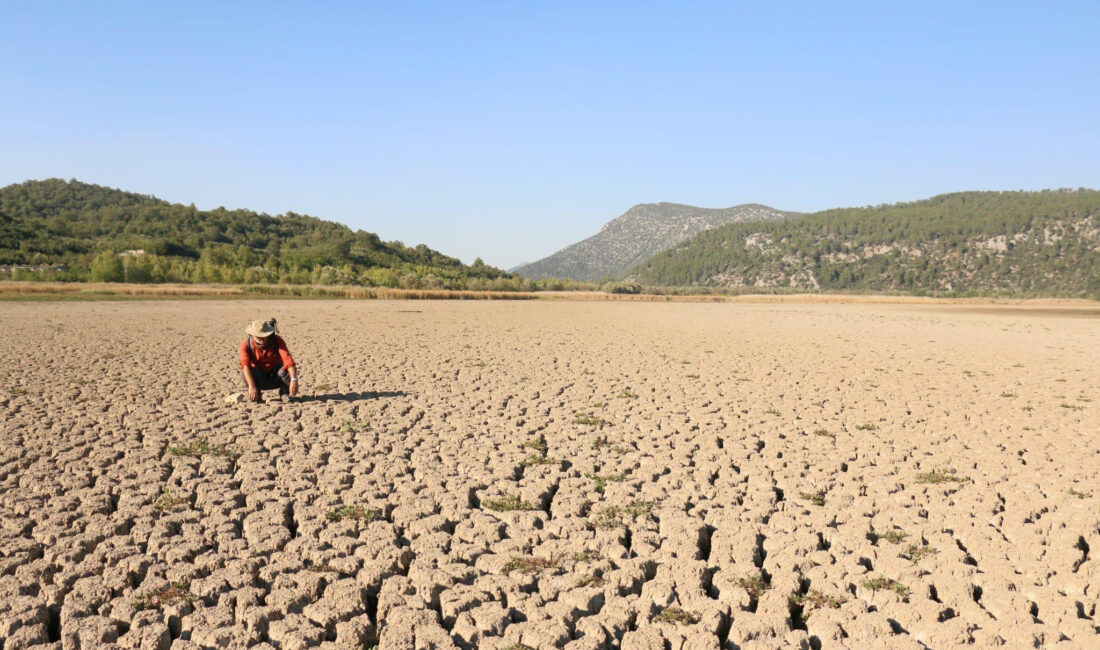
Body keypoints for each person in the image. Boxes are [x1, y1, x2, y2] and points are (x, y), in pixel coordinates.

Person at [239, 318, 299, 402]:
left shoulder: (277, 341)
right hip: (259, 379)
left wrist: (294, 380)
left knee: (288, 368)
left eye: (263, 336)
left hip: (277, 377)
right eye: (257, 336)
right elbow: (244, 365)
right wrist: (252, 386)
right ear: (252, 335)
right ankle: (256, 393)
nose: (260, 338)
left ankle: (285, 392)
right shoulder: (246, 345)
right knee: (244, 371)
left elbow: (288, 361)